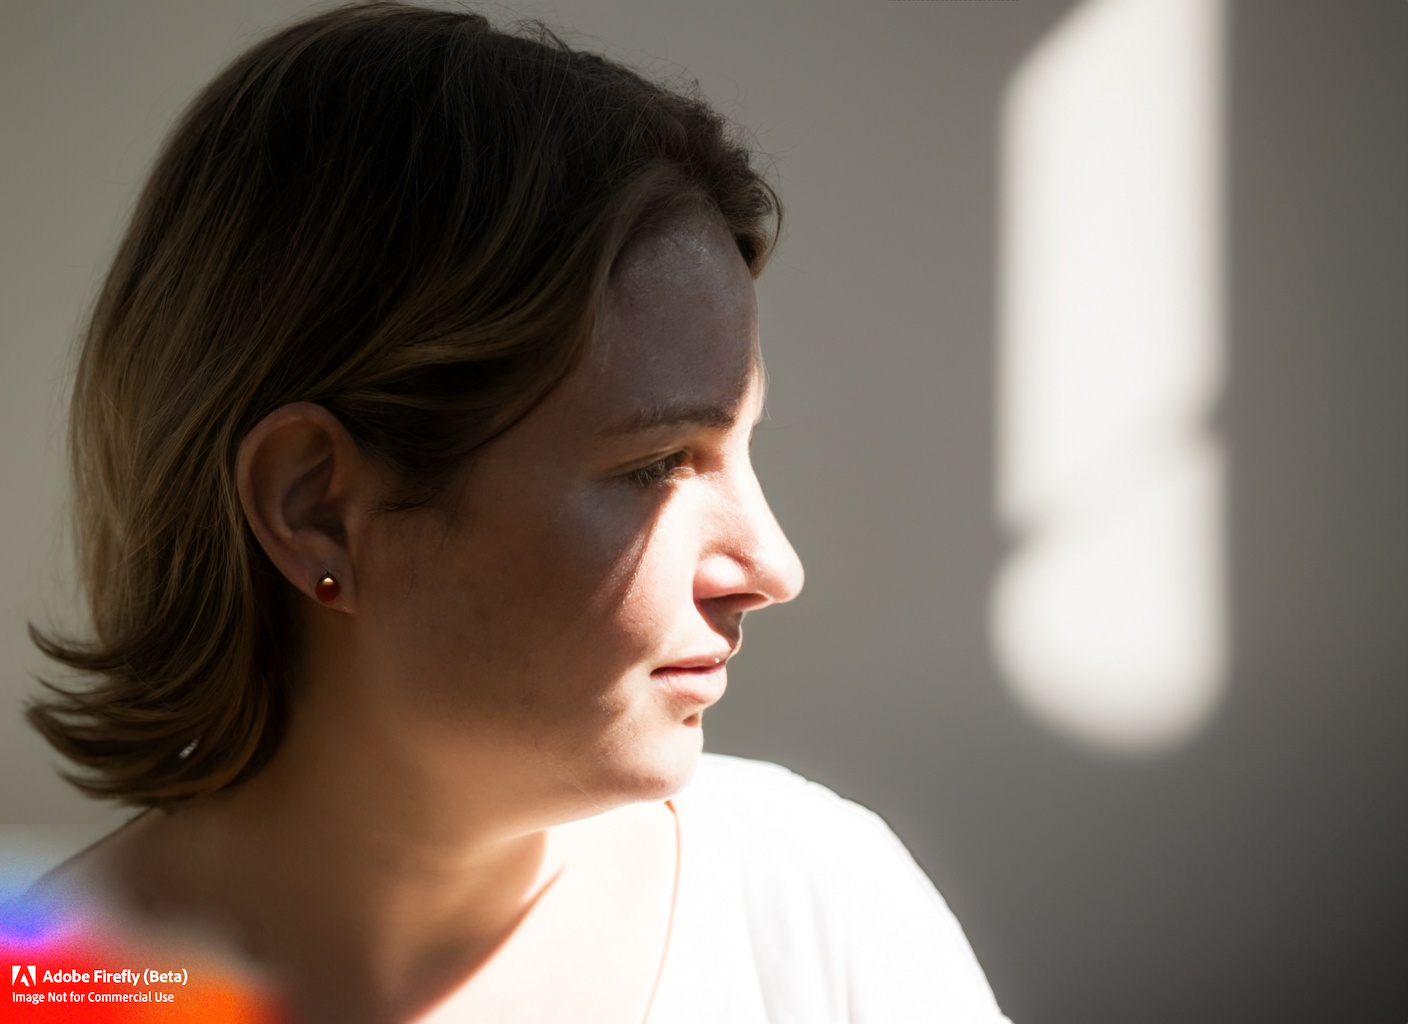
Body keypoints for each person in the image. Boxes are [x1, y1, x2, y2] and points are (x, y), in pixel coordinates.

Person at [19, 4, 1011, 1021]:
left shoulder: (812, 909)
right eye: (661, 462)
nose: (772, 564)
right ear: (316, 507)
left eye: (738, 447)